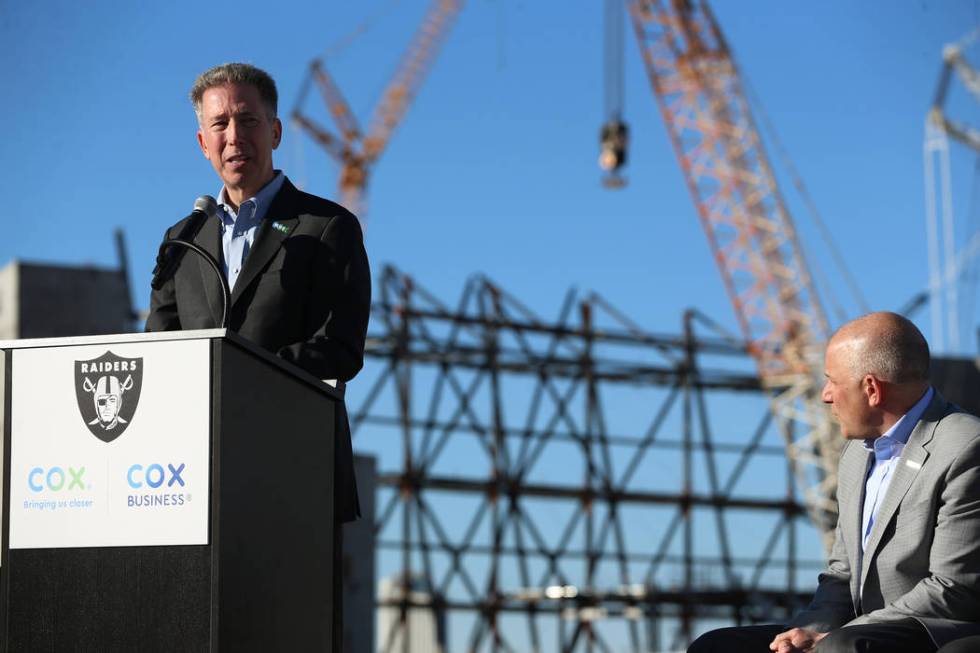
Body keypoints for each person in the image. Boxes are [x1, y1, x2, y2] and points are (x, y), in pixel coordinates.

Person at [145, 62, 371, 646]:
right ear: (202, 143)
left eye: (248, 119)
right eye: (219, 123)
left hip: (293, 471)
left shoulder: (327, 228)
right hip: (190, 483)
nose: (233, 135)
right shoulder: (182, 241)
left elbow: (341, 348)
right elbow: (159, 353)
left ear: (275, 132)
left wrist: (242, 376)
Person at [688, 312, 980, 653]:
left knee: (838, 649)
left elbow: (954, 588)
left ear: (871, 389)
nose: (825, 395)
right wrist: (809, 629)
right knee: (715, 647)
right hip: (857, 632)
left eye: (832, 382)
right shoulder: (856, 453)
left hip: (937, 630)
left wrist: (833, 637)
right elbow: (841, 573)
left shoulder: (965, 446)